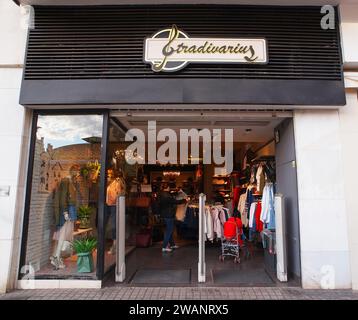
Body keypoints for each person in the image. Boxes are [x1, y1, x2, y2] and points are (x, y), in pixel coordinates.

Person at [159, 183, 187, 252]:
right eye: (169, 188)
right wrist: (184, 200)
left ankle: (172, 244)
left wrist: (177, 193)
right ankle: (164, 246)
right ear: (167, 187)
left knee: (170, 230)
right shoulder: (166, 195)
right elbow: (174, 201)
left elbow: (172, 199)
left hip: (166, 214)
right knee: (169, 230)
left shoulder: (162, 194)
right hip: (168, 215)